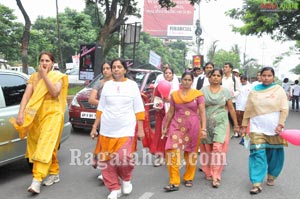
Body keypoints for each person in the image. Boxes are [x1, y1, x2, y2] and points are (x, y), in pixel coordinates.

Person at [10, 51, 68, 194]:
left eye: (47, 61)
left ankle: (37, 180)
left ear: (52, 63)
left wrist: (45, 77)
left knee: (44, 145)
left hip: (53, 115)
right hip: (36, 116)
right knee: (42, 146)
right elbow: (26, 96)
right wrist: (20, 113)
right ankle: (54, 173)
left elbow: (54, 92)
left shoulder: (58, 77)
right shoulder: (33, 78)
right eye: (42, 60)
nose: (44, 63)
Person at [89, 58, 145, 199]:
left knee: (124, 158)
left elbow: (139, 108)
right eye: (114, 67)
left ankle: (126, 179)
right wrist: (95, 127)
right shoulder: (107, 86)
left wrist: (141, 129)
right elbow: (101, 108)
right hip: (107, 130)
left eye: (119, 67)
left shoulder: (132, 85)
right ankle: (114, 188)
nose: (116, 69)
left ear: (125, 70)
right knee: (106, 162)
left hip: (126, 129)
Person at [241, 67, 289, 195]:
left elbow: (284, 108)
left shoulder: (279, 90)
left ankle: (272, 175)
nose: (266, 78)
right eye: (264, 75)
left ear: (273, 77)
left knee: (275, 153)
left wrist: (281, 124)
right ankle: (256, 183)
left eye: (269, 75)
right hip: (257, 127)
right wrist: (244, 125)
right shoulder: (254, 91)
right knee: (257, 153)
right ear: (260, 77)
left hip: (274, 128)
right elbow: (248, 109)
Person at [161, 72, 206, 191]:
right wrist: (165, 127)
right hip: (176, 126)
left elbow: (202, 112)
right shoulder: (174, 95)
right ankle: (174, 181)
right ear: (181, 81)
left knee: (191, 152)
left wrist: (204, 128)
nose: (186, 82)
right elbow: (171, 112)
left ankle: (188, 177)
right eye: (184, 79)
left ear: (192, 81)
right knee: (172, 150)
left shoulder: (198, 95)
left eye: (189, 80)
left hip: (193, 127)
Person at [200, 68, 239, 188]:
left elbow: (231, 109)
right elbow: (199, 108)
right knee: (207, 147)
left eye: (218, 75)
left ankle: (216, 175)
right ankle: (208, 171)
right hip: (206, 121)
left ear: (221, 78)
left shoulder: (225, 91)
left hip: (221, 122)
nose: (216, 77)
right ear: (209, 77)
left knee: (218, 147)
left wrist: (236, 124)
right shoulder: (202, 91)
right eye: (213, 75)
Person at [88, 62, 113, 181]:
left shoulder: (119, 84)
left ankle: (111, 171)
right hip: (103, 118)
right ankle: (104, 170)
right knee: (104, 144)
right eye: (104, 68)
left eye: (108, 68)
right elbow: (91, 99)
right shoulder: (99, 84)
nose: (106, 71)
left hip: (118, 119)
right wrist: (105, 104)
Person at [150, 67, 180, 167]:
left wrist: (170, 101)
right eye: (166, 73)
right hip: (162, 114)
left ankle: (171, 155)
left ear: (173, 75)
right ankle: (160, 156)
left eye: (169, 73)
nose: (167, 75)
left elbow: (180, 100)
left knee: (172, 135)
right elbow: (157, 98)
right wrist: (158, 107)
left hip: (173, 114)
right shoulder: (160, 86)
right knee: (160, 134)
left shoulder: (177, 87)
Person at [222, 62, 241, 137]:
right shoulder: (221, 78)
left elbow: (239, 90)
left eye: (226, 67)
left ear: (230, 69)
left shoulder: (235, 79)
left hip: (231, 100)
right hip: (222, 100)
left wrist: (233, 95)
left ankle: (236, 130)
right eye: (224, 67)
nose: (224, 68)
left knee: (232, 116)